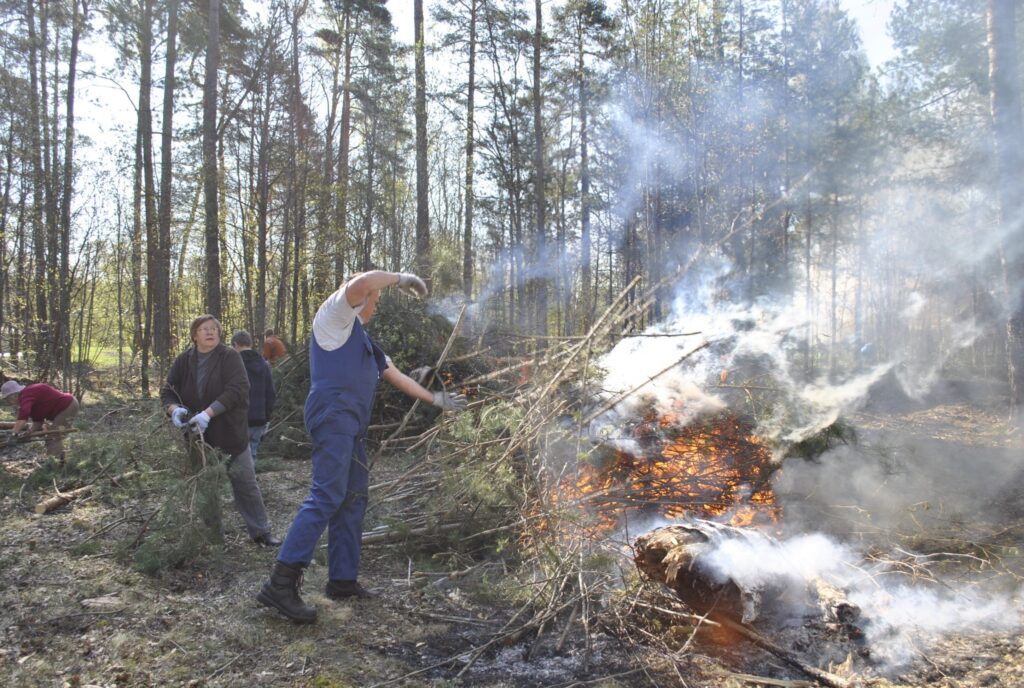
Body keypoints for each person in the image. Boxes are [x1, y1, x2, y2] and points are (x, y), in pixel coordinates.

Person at [256, 270, 467, 624]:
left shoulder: (365, 342)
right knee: (326, 495)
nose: (376, 306)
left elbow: (396, 375)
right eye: (376, 299)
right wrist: (401, 278)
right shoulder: (334, 317)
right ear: (360, 295)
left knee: (353, 497)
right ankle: (280, 584)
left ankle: (342, 579)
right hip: (333, 415)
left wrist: (436, 398)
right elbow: (360, 284)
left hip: (352, 426)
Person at [160, 315, 282, 548]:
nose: (210, 332)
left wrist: (208, 413)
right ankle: (213, 535)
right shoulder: (184, 361)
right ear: (195, 334)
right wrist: (173, 409)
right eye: (204, 329)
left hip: (230, 433)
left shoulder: (230, 357)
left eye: (214, 329)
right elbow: (168, 390)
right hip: (198, 438)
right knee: (207, 485)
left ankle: (261, 532)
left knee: (245, 482)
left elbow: (238, 389)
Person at [1, 379, 79, 458]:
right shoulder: (29, 396)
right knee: (54, 436)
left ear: (13, 395)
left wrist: (13, 434)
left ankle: (55, 465)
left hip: (67, 406)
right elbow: (38, 422)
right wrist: (29, 433)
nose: (9, 402)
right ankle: (57, 462)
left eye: (8, 399)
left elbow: (23, 416)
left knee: (53, 437)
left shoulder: (25, 394)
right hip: (68, 405)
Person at [231, 329, 276, 463]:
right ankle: (251, 480)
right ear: (250, 343)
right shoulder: (264, 364)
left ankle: (243, 482)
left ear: (235, 344)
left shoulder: (234, 364)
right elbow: (271, 393)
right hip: (259, 417)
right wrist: (267, 418)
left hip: (238, 418)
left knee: (236, 455)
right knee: (253, 451)